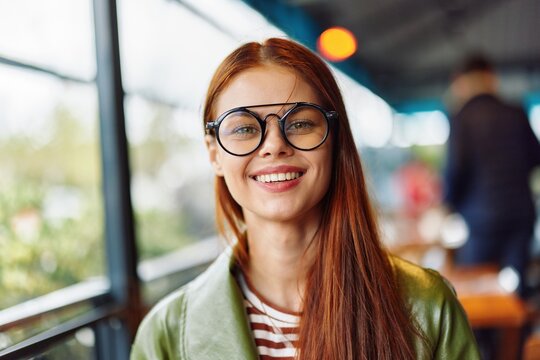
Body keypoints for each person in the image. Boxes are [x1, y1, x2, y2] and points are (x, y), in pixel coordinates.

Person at [131, 38, 479, 359]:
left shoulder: (428, 306)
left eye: (299, 124)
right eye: (244, 128)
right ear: (214, 154)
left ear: (335, 141)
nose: (274, 145)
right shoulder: (165, 335)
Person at [443, 55, 540, 296]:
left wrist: (448, 204)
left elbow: (456, 170)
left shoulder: (462, 117)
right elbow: (535, 158)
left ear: (462, 82)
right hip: (520, 215)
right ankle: (519, 334)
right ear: (491, 78)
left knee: (478, 289)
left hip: (481, 221)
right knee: (516, 289)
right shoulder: (515, 112)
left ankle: (483, 335)